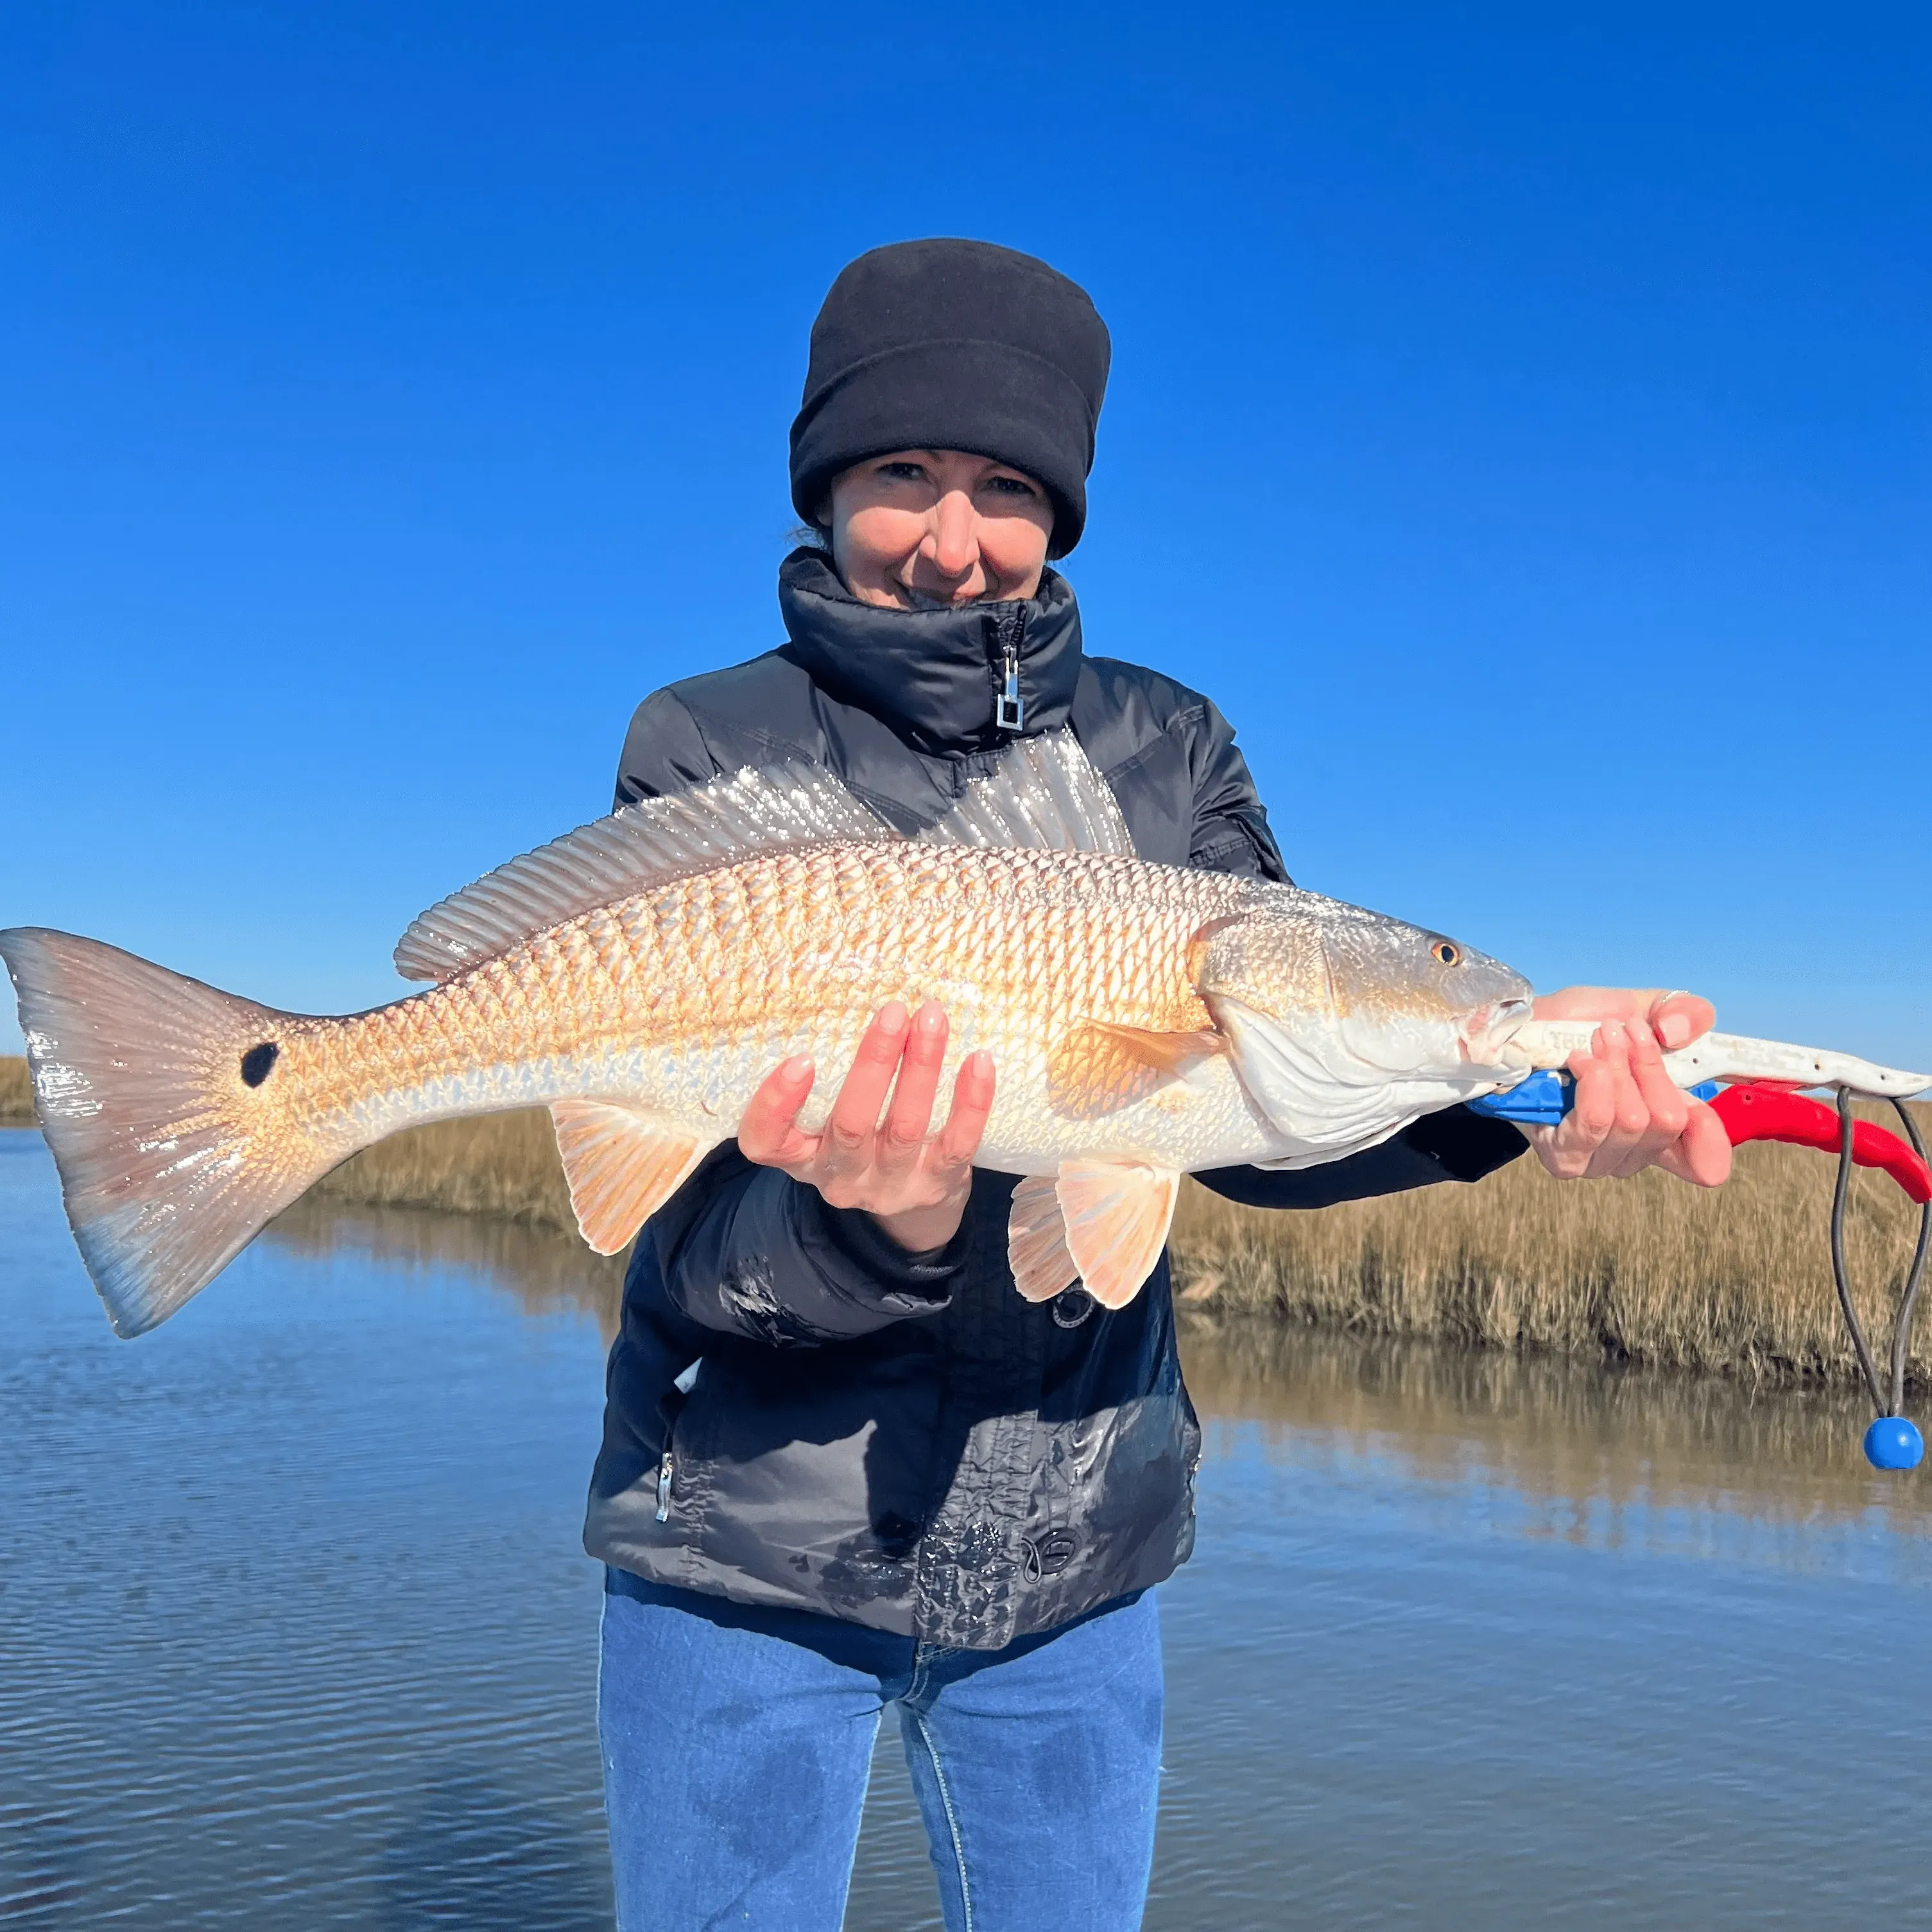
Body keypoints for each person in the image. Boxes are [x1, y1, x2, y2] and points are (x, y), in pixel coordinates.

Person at [587, 239, 1731, 1932]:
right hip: (738, 1555)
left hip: (1079, 1562)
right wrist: (877, 1229)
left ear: (1063, 513)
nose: (953, 539)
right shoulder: (706, 741)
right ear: (824, 485)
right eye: (901, 474)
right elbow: (677, 1222)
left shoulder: (1171, 748)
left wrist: (1524, 1083)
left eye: (1005, 486)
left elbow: (1256, 1119)